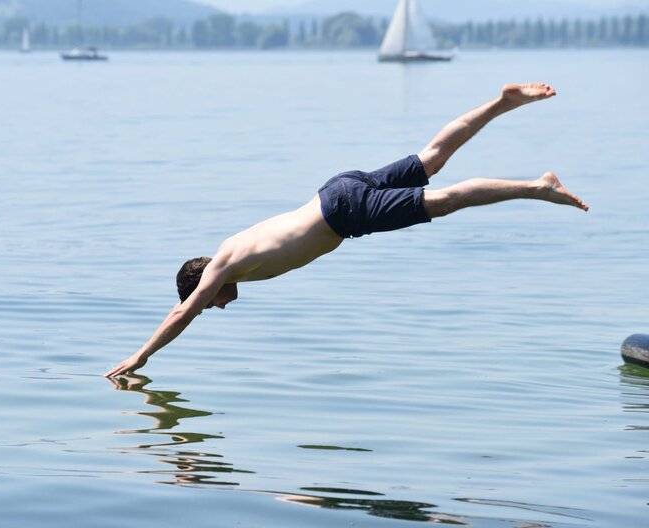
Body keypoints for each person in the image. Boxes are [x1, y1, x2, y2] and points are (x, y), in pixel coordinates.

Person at [105, 82, 588, 379]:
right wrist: (176, 312)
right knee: (432, 159)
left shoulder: (226, 266)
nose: (220, 307)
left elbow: (182, 314)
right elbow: (182, 304)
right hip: (337, 189)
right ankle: (502, 103)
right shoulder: (227, 252)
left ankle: (536, 187)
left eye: (213, 304)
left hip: (346, 213)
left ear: (205, 289)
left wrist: (140, 356)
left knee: (446, 201)